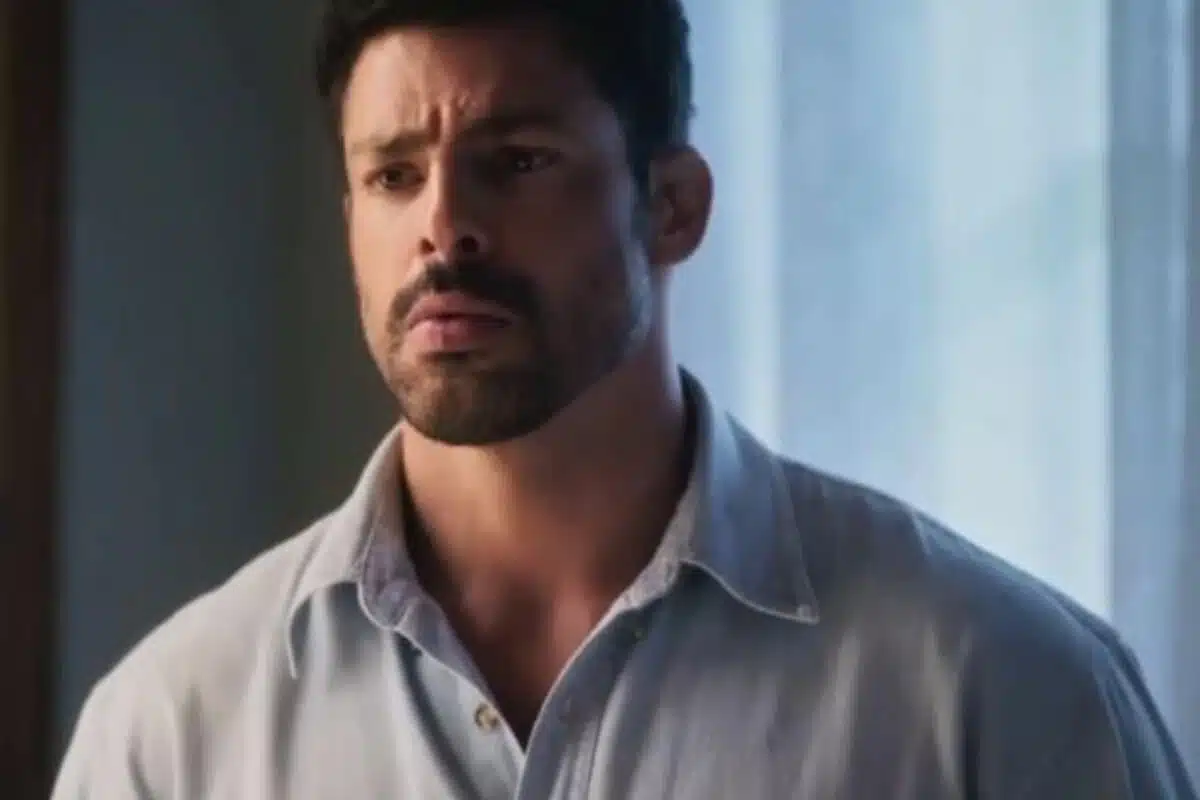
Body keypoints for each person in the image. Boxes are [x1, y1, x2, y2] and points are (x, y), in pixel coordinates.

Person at [54, 1, 1197, 798]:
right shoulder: (174, 732)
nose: (442, 227)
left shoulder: (997, 682)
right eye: (394, 174)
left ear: (673, 206)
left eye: (518, 160)